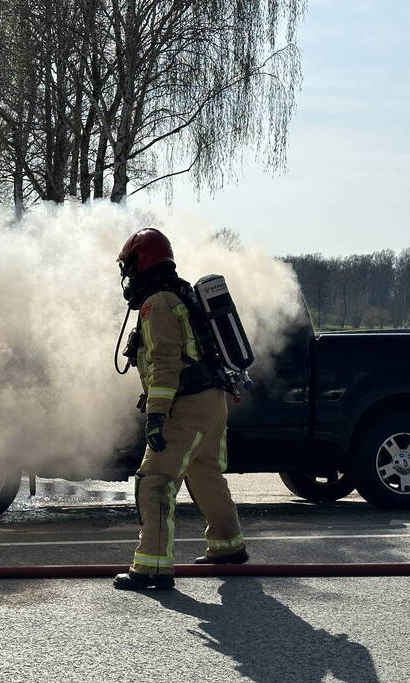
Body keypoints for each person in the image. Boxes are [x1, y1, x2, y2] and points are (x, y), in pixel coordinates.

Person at [113, 228, 248, 590]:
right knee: (205, 472)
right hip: (212, 402)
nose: (127, 276)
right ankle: (228, 546)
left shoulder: (156, 303)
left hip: (184, 405)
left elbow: (165, 363)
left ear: (142, 262)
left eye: (129, 266)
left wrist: (156, 415)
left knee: (155, 481)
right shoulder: (183, 294)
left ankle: (152, 565)